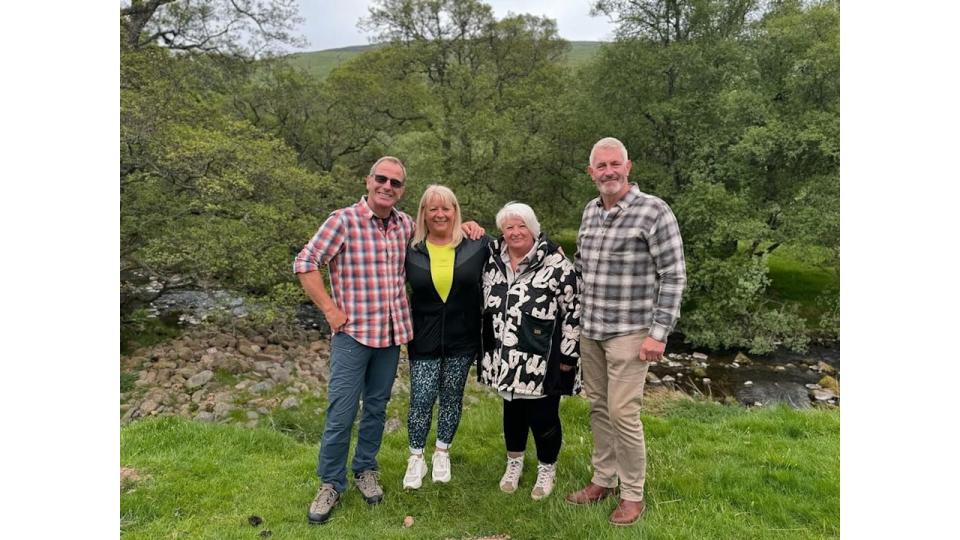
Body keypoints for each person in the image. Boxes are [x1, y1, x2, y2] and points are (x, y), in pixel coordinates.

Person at [294, 158, 482, 525]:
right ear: (368, 181)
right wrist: (330, 310)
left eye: (396, 183)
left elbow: (443, 230)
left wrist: (471, 225)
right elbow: (305, 262)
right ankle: (330, 482)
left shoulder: (406, 226)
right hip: (352, 335)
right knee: (342, 411)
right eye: (382, 179)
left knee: (377, 408)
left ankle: (365, 470)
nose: (388, 186)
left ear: (402, 191)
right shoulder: (343, 221)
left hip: (391, 335)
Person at [564, 137, 687, 526]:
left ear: (628, 167)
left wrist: (659, 333)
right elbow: (580, 268)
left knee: (623, 411)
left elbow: (674, 275)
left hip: (632, 333)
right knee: (599, 406)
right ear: (591, 173)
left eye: (614, 164)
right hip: (592, 329)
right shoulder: (589, 212)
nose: (608, 172)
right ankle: (603, 478)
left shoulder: (654, 211)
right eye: (600, 166)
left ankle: (632, 493)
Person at [479, 202, 580, 501]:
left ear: (534, 229)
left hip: (541, 357)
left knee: (544, 415)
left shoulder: (556, 265)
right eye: (509, 227)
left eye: (521, 225)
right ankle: (514, 463)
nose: (515, 232)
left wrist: (567, 358)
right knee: (513, 411)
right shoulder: (491, 260)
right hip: (502, 355)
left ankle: (547, 467)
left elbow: (573, 312)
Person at [401, 185, 490, 489]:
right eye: (432, 208)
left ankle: (442, 451)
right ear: (423, 213)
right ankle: (416, 458)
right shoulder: (410, 249)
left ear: (455, 211)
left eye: (446, 208)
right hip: (422, 338)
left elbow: (520, 245)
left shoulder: (476, 245)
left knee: (452, 398)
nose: (440, 214)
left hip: (462, 338)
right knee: (422, 399)